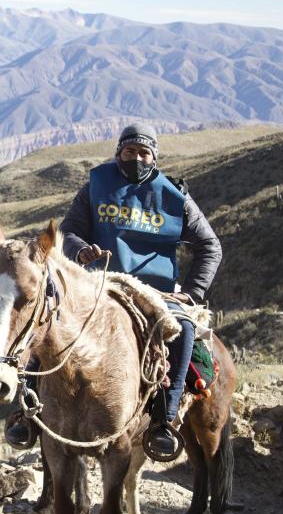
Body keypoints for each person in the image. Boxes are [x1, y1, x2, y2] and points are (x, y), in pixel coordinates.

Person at [51, 122, 222, 455]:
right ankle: (28, 412)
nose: (137, 159)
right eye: (130, 152)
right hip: (102, 283)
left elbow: (210, 246)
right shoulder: (95, 187)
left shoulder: (175, 196)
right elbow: (68, 232)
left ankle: (164, 421)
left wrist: (190, 294)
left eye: (145, 153)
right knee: (49, 321)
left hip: (155, 291)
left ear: (154, 157)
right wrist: (80, 250)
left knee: (183, 327)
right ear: (119, 154)